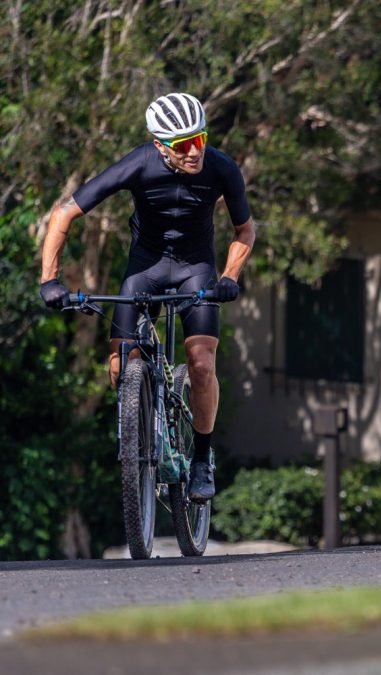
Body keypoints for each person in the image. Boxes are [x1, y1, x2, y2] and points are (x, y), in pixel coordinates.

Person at [38, 92, 256, 502]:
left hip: (196, 269)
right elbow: (64, 214)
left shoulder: (222, 167)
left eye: (201, 138)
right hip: (146, 268)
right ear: (160, 146)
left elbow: (245, 230)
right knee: (123, 366)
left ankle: (201, 461)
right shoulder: (139, 163)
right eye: (183, 144)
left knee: (202, 364)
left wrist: (229, 275)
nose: (195, 151)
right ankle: (144, 428)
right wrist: (50, 280)